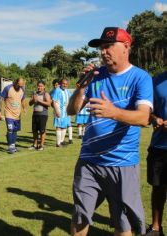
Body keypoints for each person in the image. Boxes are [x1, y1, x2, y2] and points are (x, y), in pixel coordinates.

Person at [67, 27, 153, 236]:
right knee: (80, 217)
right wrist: (80, 88)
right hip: (89, 162)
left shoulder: (140, 78)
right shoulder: (95, 76)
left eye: (108, 46)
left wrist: (114, 112)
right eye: (101, 48)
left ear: (126, 47)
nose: (103, 52)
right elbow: (71, 110)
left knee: (122, 225)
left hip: (121, 163)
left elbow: (143, 118)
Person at [145, 71, 167, 236]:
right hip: (160, 146)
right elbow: (146, 109)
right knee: (158, 188)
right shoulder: (156, 81)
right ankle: (155, 228)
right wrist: (154, 118)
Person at [1, 77, 26, 154]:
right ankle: (10, 147)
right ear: (17, 82)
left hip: (17, 114)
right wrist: (0, 109)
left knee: (15, 130)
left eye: (23, 83)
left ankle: (13, 145)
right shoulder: (8, 88)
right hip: (9, 113)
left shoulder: (22, 90)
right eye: (21, 83)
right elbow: (1, 98)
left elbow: (23, 100)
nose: (22, 84)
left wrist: (24, 108)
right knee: (10, 129)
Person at [28, 80, 51, 150]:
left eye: (41, 86)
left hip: (43, 115)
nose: (39, 87)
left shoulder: (46, 94)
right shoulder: (35, 94)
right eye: (38, 86)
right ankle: (35, 145)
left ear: (44, 87)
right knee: (34, 130)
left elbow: (49, 104)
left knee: (42, 130)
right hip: (35, 114)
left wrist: (39, 101)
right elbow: (30, 103)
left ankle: (41, 145)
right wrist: (33, 100)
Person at [52, 78, 72, 147]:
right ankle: (58, 143)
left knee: (64, 126)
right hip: (59, 111)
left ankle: (62, 141)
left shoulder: (67, 91)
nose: (65, 85)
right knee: (59, 126)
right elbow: (54, 101)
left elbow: (70, 100)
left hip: (66, 112)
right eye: (63, 83)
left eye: (66, 84)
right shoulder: (57, 90)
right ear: (60, 83)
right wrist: (57, 111)